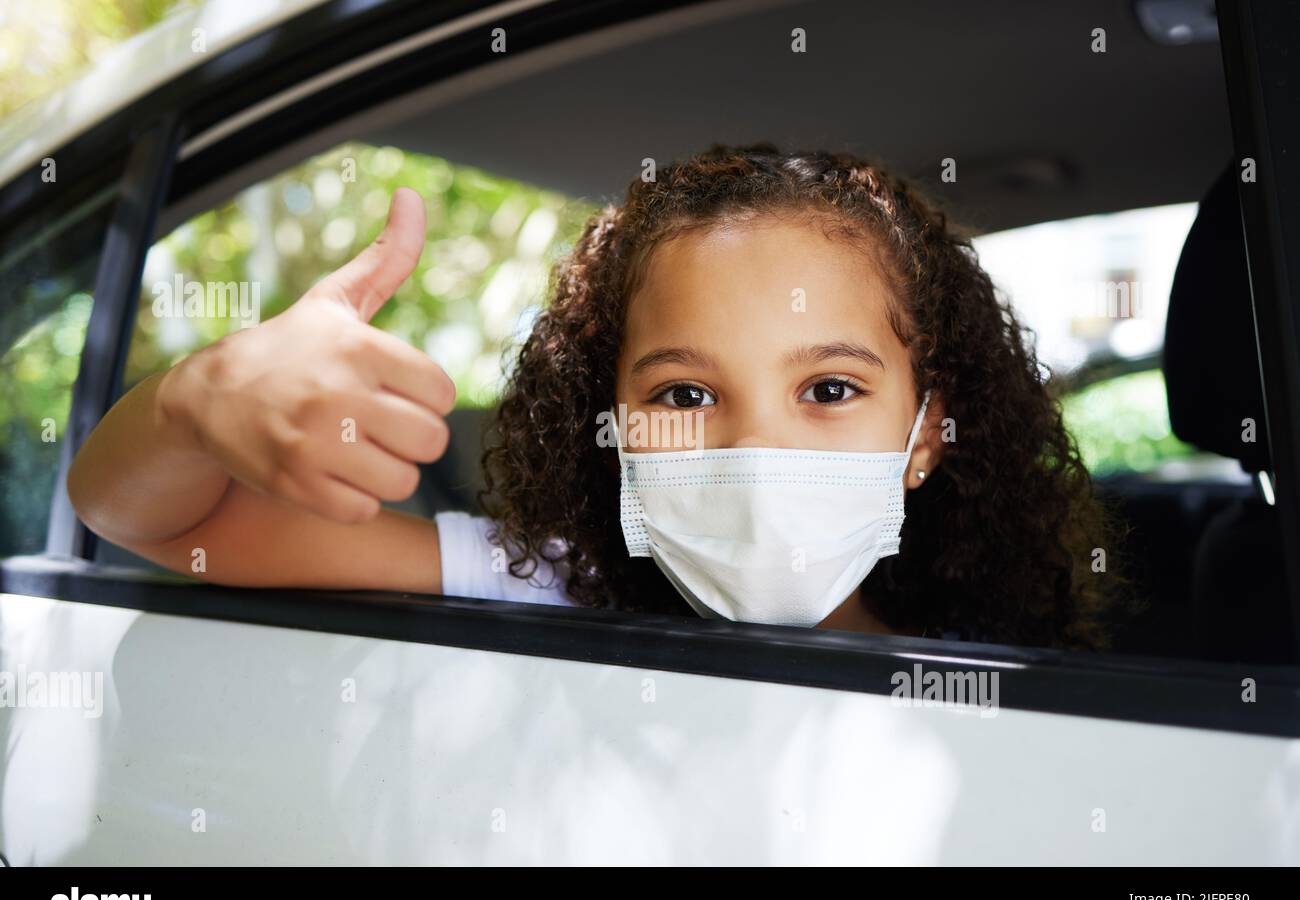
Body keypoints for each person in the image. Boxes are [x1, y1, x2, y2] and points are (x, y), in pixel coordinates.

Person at [68, 144, 1120, 648]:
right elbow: (150, 519)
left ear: (927, 432)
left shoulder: (1020, 683)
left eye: (830, 387)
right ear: (605, 419)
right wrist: (197, 403)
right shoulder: (548, 588)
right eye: (687, 391)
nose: (750, 446)